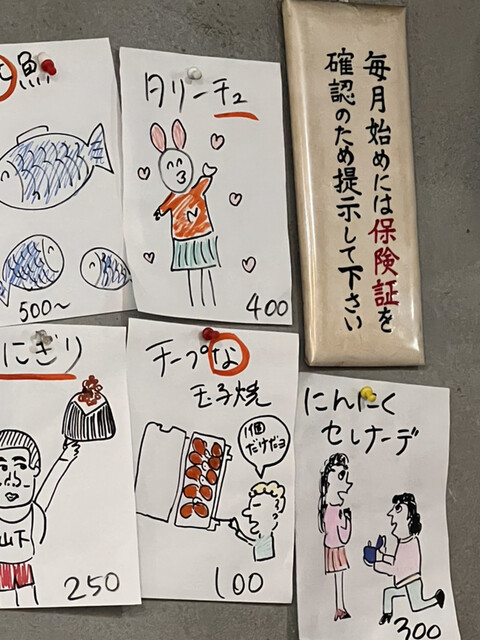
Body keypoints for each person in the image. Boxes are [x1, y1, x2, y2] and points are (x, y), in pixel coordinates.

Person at [0, 429, 79, 606]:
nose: (11, 480)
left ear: (34, 470)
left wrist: (65, 457)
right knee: (6, 599)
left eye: (21, 467)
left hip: (24, 567)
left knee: (27, 598)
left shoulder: (34, 511)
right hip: (2, 569)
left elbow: (49, 487)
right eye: (3, 468)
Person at [367, 492, 445, 625]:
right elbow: (397, 562)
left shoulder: (411, 543)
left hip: (411, 581)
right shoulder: (403, 543)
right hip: (404, 582)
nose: (391, 514)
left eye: (398, 509)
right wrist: (381, 556)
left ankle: (437, 599)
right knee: (389, 592)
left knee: (417, 606)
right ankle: (387, 614)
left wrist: (377, 564)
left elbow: (397, 569)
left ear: (409, 518)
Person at [318, 452, 353, 621]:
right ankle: (340, 607)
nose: (348, 483)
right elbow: (344, 536)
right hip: (337, 548)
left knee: (338, 578)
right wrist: (348, 520)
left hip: (330, 547)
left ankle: (340, 607)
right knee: (339, 577)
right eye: (342, 477)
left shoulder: (326, 510)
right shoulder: (335, 511)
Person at [228, 481, 286, 561]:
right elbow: (252, 542)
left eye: (257, 507)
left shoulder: (265, 537)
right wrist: (237, 529)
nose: (248, 513)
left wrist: (237, 529)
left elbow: (253, 542)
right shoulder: (262, 537)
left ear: (274, 515)